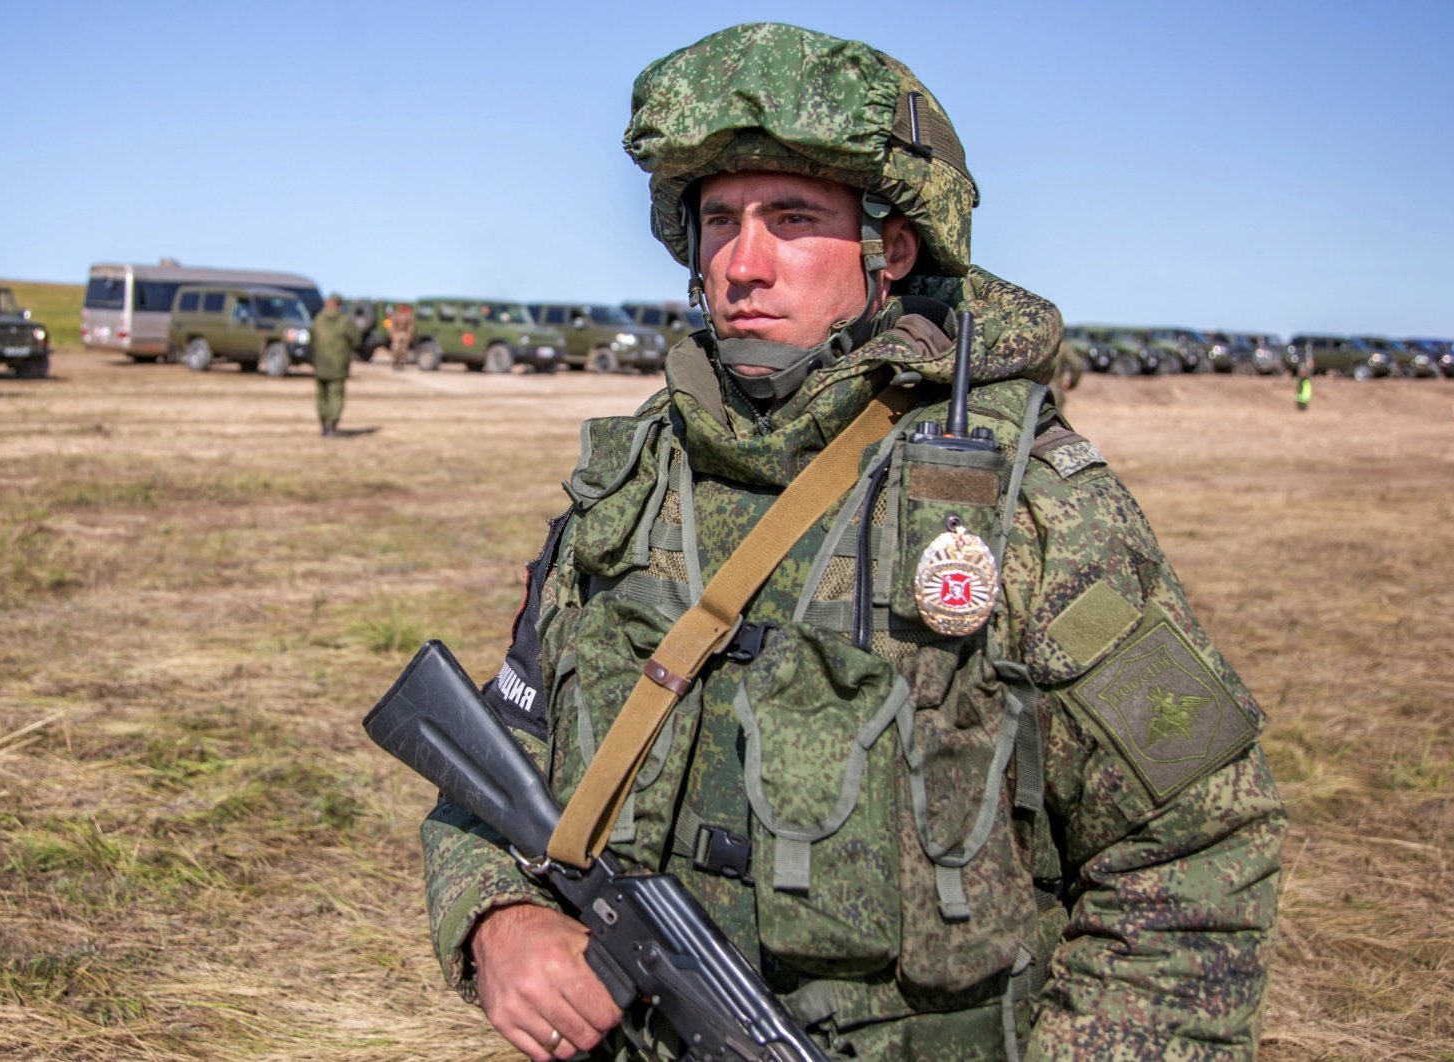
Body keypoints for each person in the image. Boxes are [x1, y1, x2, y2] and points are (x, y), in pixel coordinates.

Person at [418, 23, 1285, 1061]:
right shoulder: (635, 485)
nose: (743, 262)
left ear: (893, 246)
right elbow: (494, 757)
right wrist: (496, 922)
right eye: (721, 220)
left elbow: (1193, 849)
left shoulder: (1023, 505)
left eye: (792, 219)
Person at [310, 293, 359, 437]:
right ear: (339, 305)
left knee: (321, 396)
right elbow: (356, 340)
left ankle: (323, 425)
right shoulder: (344, 321)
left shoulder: (318, 320)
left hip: (320, 364)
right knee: (335, 395)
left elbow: (312, 340)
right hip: (338, 366)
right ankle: (332, 425)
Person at [1048, 334, 1086, 413]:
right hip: (1053, 390)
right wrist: (1072, 383)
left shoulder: (1034, 342)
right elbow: (1077, 365)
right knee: (1054, 421)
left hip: (1030, 389)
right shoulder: (1063, 346)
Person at [388, 302, 415, 370]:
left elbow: (410, 326)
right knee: (395, 349)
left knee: (403, 350)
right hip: (397, 334)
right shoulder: (395, 315)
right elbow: (392, 325)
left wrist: (409, 334)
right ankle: (395, 363)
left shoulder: (407, 315)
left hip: (404, 334)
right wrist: (392, 334)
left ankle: (401, 364)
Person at [1294, 342, 1314, 412]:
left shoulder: (1308, 356)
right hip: (1301, 394)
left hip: (1304, 394)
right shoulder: (1301, 355)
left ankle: (1303, 406)